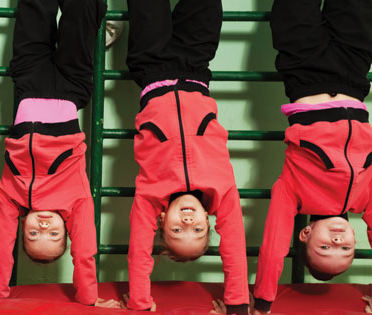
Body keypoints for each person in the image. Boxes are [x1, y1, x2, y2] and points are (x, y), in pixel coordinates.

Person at [0, 0, 117, 308]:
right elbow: (84, 253)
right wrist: (88, 298)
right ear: (65, 231)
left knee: (34, 11)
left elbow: (3, 251)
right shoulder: (76, 200)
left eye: (33, 235)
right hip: (71, 87)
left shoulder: (11, 198)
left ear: (23, 226)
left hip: (28, 84)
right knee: (80, 15)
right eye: (54, 235)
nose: (43, 227)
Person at [123, 0, 248, 313]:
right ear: (208, 220)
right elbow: (233, 247)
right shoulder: (222, 193)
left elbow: (139, 250)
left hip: (151, 66)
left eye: (178, 230)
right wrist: (237, 305)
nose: (188, 221)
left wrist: (139, 301)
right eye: (198, 229)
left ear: (162, 221)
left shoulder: (150, 197)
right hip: (195, 66)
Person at [252, 0, 372, 313]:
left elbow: (274, 245)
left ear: (306, 233)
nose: (337, 241)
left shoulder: (293, 194)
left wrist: (262, 303)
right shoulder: (365, 198)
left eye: (324, 247)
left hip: (303, 65)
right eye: (346, 248)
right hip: (353, 67)